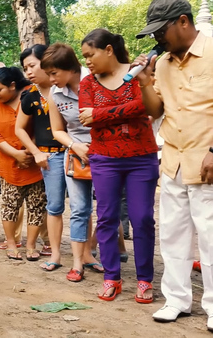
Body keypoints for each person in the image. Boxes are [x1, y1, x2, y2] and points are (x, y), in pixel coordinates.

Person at [133, 0, 213, 327]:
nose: (158, 40)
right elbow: (155, 111)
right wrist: (143, 81)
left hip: (207, 161)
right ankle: (177, 300)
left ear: (182, 21)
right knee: (172, 234)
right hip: (173, 160)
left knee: (210, 237)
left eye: (160, 31)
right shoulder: (163, 64)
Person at [79, 28, 158, 301]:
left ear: (108, 49)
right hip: (104, 158)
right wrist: (114, 113)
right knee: (107, 218)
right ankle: (112, 276)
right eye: (84, 57)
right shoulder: (87, 83)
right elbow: (86, 117)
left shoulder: (138, 71)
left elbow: (146, 107)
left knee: (143, 218)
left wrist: (102, 113)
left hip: (141, 157)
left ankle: (145, 280)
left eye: (91, 54)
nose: (87, 61)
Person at [43, 43, 97, 282]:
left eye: (54, 73)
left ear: (71, 68)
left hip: (107, 154)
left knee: (108, 211)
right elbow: (57, 130)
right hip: (75, 155)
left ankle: (98, 255)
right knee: (79, 209)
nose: (51, 79)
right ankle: (77, 264)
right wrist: (74, 146)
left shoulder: (98, 80)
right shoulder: (55, 94)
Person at [16, 44, 71, 271]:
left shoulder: (68, 88)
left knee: (81, 207)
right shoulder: (30, 96)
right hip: (50, 158)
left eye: (32, 65)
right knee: (55, 206)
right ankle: (56, 255)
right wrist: (36, 151)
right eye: (24, 68)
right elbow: (19, 129)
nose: (28, 72)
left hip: (75, 153)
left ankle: (87, 254)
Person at [0, 67, 46, 260]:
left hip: (35, 163)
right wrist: (17, 155)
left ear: (12, 85)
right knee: (10, 205)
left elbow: (42, 125)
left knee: (36, 206)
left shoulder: (30, 96)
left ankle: (31, 245)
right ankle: (11, 243)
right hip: (8, 164)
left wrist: (29, 153)